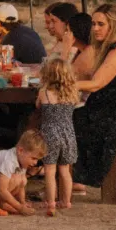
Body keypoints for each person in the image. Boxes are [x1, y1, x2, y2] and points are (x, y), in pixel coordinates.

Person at [73, 4, 116, 191]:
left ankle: (72, 179)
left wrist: (63, 84)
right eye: (93, 24)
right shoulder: (106, 50)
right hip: (104, 111)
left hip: (115, 118)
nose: (95, 28)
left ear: (114, 26)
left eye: (100, 24)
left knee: (65, 120)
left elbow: (96, 84)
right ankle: (67, 178)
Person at [36, 58, 79, 216]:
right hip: (68, 134)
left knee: (49, 170)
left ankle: (51, 202)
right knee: (65, 170)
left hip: (49, 134)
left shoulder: (44, 92)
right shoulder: (72, 93)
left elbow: (37, 106)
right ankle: (66, 201)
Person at [0, 129, 46, 216]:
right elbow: (2, 190)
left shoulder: (21, 159)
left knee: (22, 179)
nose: (35, 163)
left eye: (37, 159)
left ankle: (2, 204)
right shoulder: (10, 160)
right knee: (15, 179)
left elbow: (22, 185)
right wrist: (20, 208)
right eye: (33, 158)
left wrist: (22, 203)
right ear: (20, 150)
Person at [68, 12, 95, 79]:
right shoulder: (81, 51)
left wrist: (66, 49)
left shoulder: (88, 52)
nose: (65, 34)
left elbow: (62, 77)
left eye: (67, 31)